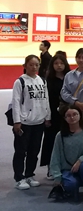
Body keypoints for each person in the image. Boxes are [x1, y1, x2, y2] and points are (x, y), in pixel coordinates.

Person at [12, 55, 50, 191]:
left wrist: (48, 116)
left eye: (36, 65)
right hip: (24, 123)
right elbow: (16, 102)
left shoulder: (42, 81)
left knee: (34, 151)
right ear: (25, 66)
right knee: (21, 151)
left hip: (39, 122)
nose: (34, 67)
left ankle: (29, 174)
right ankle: (19, 177)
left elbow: (46, 100)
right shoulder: (20, 82)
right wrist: (17, 121)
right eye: (31, 65)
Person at [49, 104, 83, 201]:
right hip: (67, 170)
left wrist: (80, 161)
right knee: (71, 185)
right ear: (65, 118)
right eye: (68, 115)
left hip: (82, 167)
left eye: (75, 114)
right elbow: (55, 156)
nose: (72, 117)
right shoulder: (60, 135)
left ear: (80, 115)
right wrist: (57, 176)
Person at [41, 54, 70, 179]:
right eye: (56, 63)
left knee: (66, 141)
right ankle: (50, 167)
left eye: (61, 63)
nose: (59, 66)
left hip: (67, 115)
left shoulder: (69, 79)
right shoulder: (47, 81)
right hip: (52, 115)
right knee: (51, 141)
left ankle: (65, 166)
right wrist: (47, 116)